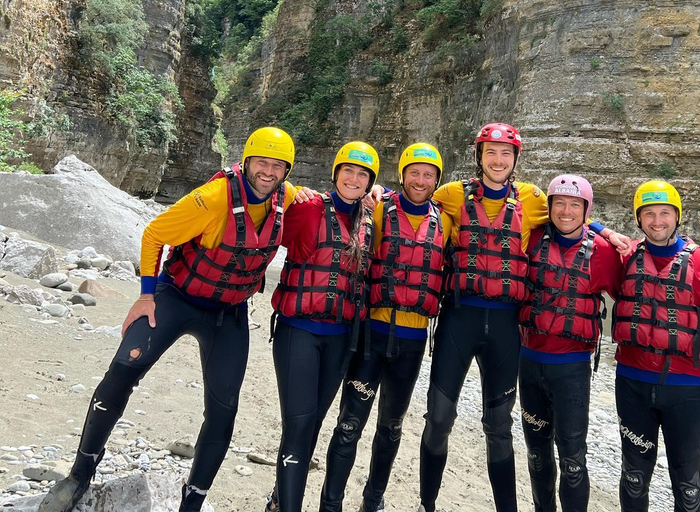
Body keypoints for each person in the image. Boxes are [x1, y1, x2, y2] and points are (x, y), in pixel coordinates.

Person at [39, 127, 305, 512]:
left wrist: (375, 194)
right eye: (261, 162)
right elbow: (154, 234)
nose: (268, 172)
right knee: (123, 370)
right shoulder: (211, 199)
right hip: (178, 296)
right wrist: (146, 295)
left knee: (223, 408)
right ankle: (79, 475)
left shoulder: (287, 197)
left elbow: (324, 200)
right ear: (246, 162)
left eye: (277, 165)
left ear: (287, 170)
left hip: (227, 312)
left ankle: (192, 501)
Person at [415, 123, 630, 512]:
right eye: (491, 153)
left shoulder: (531, 198)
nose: (498, 160)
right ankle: (427, 503)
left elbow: (570, 216)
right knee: (439, 418)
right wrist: (374, 193)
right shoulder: (451, 194)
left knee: (498, 428)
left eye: (506, 154)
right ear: (479, 156)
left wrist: (602, 229)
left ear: (515, 160)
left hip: (505, 327)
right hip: (458, 318)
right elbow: (412, 199)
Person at [319, 143, 452, 512]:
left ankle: (372, 500)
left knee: (391, 428)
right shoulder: (378, 209)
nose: (421, 180)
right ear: (402, 174)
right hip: (371, 336)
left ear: (437, 180)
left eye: (429, 175)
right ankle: (330, 503)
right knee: (349, 424)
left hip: (412, 343)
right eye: (414, 172)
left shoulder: (446, 220)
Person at [612, 180, 700, 512]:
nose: (657, 221)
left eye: (665, 213)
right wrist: (601, 228)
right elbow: (574, 227)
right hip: (632, 385)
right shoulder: (625, 257)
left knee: (688, 486)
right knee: (634, 477)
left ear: (677, 217)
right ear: (639, 219)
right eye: (649, 214)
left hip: (687, 391)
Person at [266, 141, 378, 512]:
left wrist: (381, 192)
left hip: (340, 338)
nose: (354, 178)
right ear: (335, 173)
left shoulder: (367, 219)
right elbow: (266, 217)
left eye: (363, 174)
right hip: (298, 330)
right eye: (348, 170)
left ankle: (278, 499)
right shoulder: (310, 207)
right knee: (298, 427)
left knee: (311, 426)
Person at [517, 174, 623, 512]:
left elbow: (638, 289)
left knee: (573, 459)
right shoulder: (530, 238)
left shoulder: (604, 252)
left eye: (575, 205)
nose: (565, 211)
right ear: (548, 208)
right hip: (529, 362)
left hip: (572, 370)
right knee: (536, 454)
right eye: (559, 203)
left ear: (585, 210)